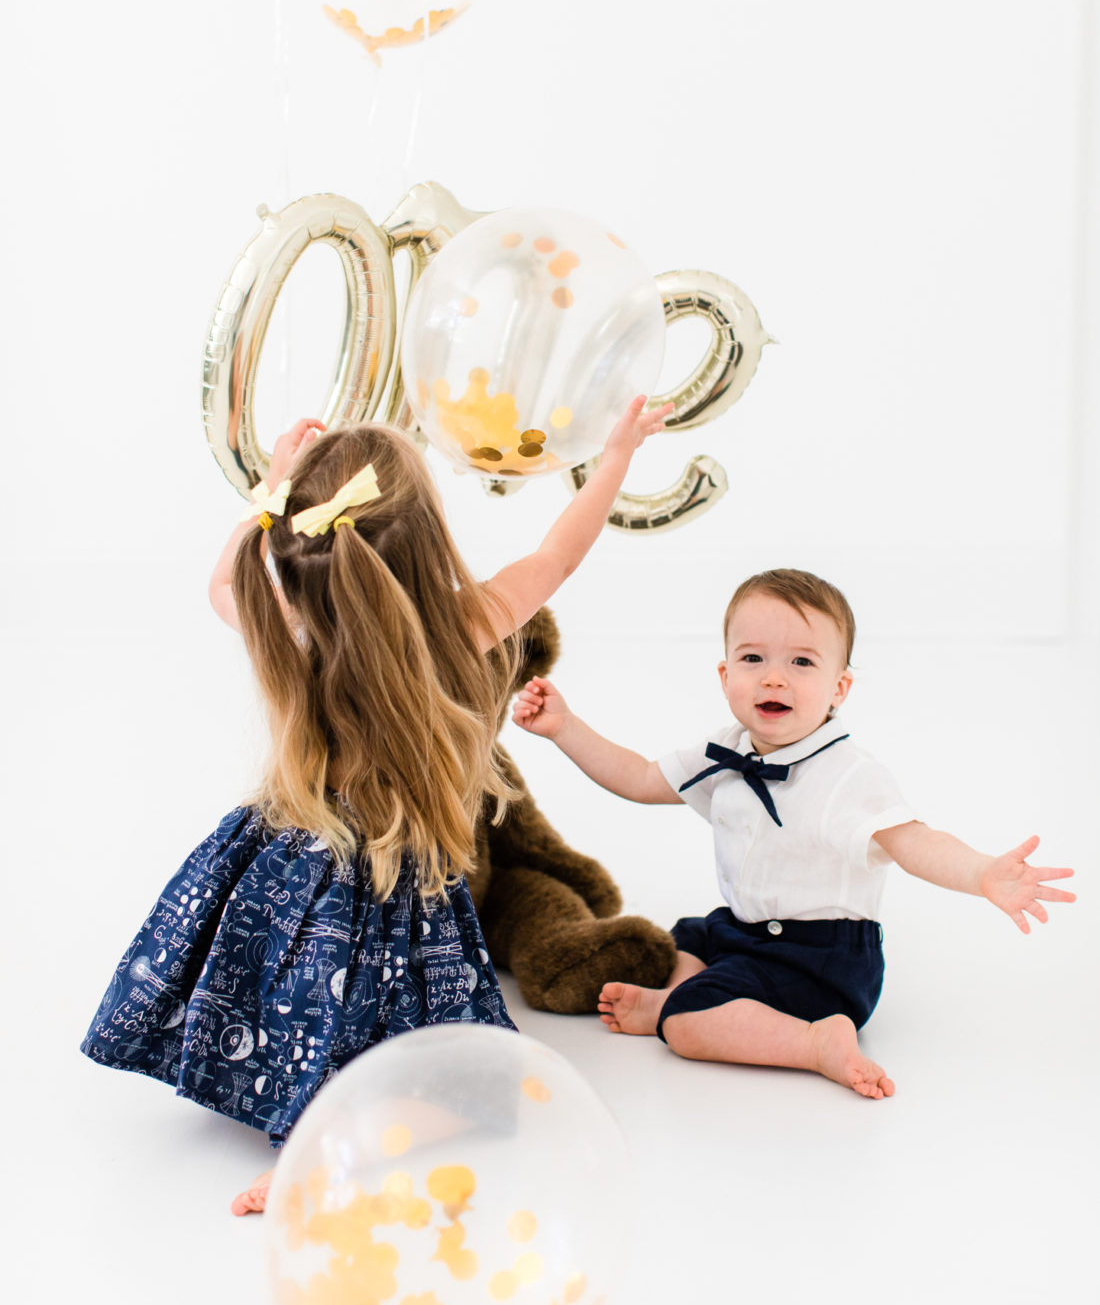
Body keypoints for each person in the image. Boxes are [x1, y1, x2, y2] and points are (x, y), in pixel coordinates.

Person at [81, 398, 669, 1212]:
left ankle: (282, 1103)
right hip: (399, 876)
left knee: (289, 983)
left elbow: (225, 579)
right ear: (427, 545)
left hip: (290, 856)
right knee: (422, 1051)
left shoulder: (287, 624)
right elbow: (559, 556)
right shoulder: (466, 624)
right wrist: (616, 456)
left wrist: (271, 482)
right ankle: (335, 1145)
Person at [512, 567, 1075, 1099]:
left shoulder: (849, 775)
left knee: (686, 1029)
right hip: (746, 932)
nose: (774, 676)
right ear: (726, 675)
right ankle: (684, 995)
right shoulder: (729, 750)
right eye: (753, 657)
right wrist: (565, 728)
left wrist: (982, 873)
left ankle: (808, 1041)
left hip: (822, 959)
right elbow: (638, 778)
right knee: (685, 938)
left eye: (802, 662)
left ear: (840, 687)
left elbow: (914, 841)